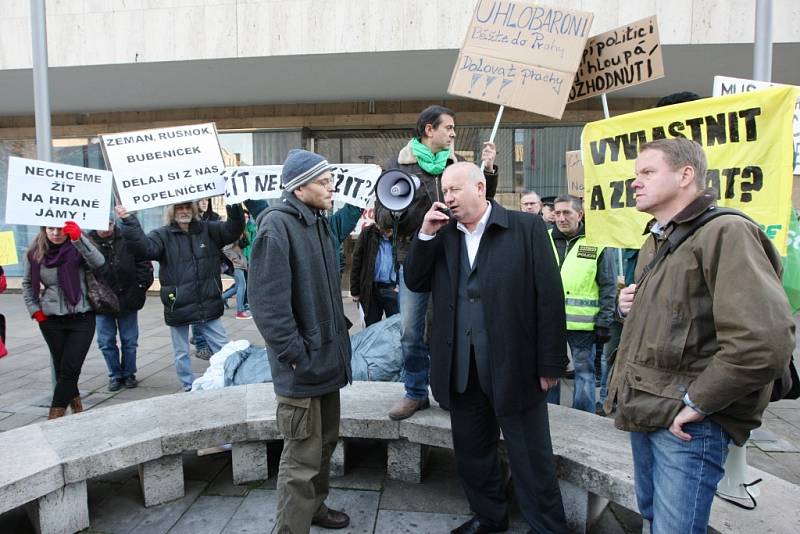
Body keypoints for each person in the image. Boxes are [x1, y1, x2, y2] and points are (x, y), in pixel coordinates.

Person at [605, 138, 795, 533]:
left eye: (647, 172)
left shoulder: (727, 232)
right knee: (655, 522)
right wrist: (630, 309)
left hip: (688, 424)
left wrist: (698, 402)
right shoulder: (657, 238)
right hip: (647, 408)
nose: (634, 183)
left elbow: (762, 341)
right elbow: (677, 322)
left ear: (686, 174)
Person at [405, 162, 568, 533]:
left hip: (517, 366)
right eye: (444, 191)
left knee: (531, 456)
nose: (447, 198)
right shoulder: (443, 233)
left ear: (480, 187)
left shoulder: (525, 228)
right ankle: (489, 518)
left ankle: (547, 527)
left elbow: (549, 298)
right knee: (473, 454)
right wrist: (425, 236)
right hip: (461, 368)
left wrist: (551, 363)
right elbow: (415, 281)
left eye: (454, 190)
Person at [249, 149, 353, 532]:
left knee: (324, 445)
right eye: (324, 182)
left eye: (331, 180)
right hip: (302, 367)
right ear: (299, 187)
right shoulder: (276, 226)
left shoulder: (319, 222)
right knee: (301, 459)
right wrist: (295, 354)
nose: (332, 188)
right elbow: (267, 305)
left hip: (326, 361)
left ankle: (315, 508)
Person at [375, 105, 499, 421]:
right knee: (410, 332)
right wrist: (403, 207)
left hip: (451, 259)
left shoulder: (456, 165)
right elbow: (382, 217)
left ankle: (449, 388)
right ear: (429, 129)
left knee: (452, 326)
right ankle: (415, 393)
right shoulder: (398, 166)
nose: (454, 133)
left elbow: (480, 204)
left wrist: (487, 169)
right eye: (449, 127)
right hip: (412, 261)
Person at [116, 200, 244, 391]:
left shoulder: (209, 230)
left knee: (223, 347)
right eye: (179, 208)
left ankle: (230, 380)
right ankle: (187, 386)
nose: (184, 211)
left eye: (186, 207)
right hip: (178, 303)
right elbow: (144, 248)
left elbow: (233, 229)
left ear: (192, 210)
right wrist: (129, 221)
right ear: (172, 211)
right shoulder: (162, 235)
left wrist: (233, 204)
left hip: (207, 300)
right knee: (181, 352)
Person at [22, 222, 105, 419]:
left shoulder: (78, 246)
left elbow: (99, 262)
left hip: (82, 316)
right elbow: (26, 283)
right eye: (51, 228)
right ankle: (76, 406)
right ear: (44, 230)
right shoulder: (35, 253)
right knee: (62, 367)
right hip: (50, 319)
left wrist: (78, 238)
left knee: (70, 367)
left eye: (60, 228)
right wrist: (36, 311)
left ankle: (55, 416)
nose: (56, 233)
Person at [546, 194, 615, 413]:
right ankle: (550, 415)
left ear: (580, 214)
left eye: (567, 212)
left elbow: (608, 285)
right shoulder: (543, 238)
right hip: (549, 321)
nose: (561, 218)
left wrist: (605, 321)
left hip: (583, 325)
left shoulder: (597, 243)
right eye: (557, 213)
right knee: (550, 370)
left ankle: (583, 419)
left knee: (584, 373)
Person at [89, 218, 154, 391]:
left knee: (129, 340)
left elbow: (144, 263)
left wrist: (140, 287)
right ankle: (115, 375)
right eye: (100, 225)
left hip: (128, 297)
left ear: (113, 223)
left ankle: (129, 373)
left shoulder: (126, 238)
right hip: (102, 301)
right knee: (106, 341)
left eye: (108, 224)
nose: (104, 229)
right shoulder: (88, 242)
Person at [350, 210, 399, 326]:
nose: (386, 232)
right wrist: (355, 291)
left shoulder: (401, 235)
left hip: (394, 290)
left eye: (389, 229)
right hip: (371, 290)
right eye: (383, 228)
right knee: (371, 328)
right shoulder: (367, 233)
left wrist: (401, 286)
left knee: (396, 329)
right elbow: (357, 262)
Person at [222, 229, 251, 319]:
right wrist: (236, 259)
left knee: (237, 287)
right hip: (237, 265)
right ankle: (240, 311)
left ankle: (219, 300)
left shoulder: (240, 234)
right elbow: (226, 249)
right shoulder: (234, 235)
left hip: (240, 264)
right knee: (242, 286)